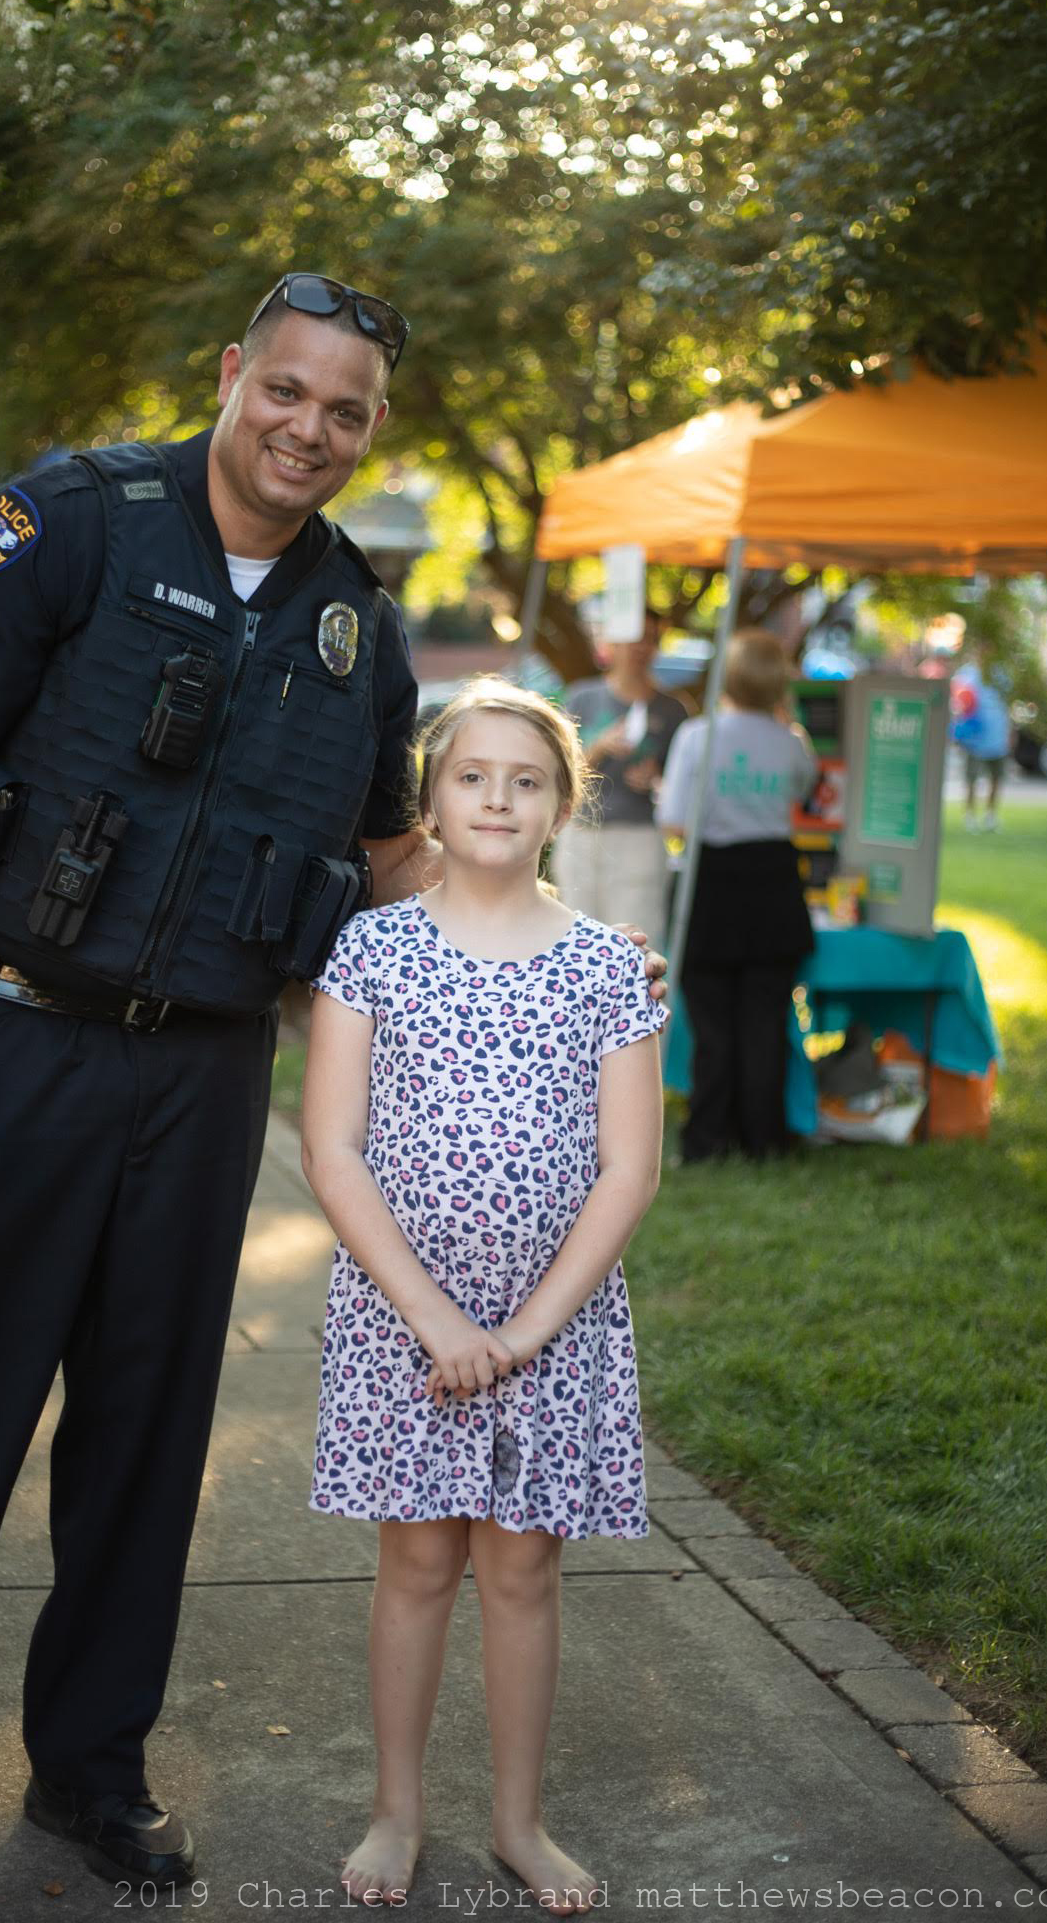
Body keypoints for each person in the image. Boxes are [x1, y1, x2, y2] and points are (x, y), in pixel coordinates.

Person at [0, 275, 670, 1923]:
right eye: (289, 392)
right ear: (232, 375)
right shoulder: (66, 523)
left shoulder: (357, 627)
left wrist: (571, 946)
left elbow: (397, 857)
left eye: (346, 412)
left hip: (199, 1074)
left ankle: (89, 1771)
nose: (308, 430)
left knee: (143, 1437)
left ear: (368, 432)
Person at [300, 677, 666, 1915]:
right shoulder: (372, 948)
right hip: (407, 1320)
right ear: (432, 801)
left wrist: (520, 1330)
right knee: (414, 1563)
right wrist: (439, 1319)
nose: (498, 796)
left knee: (519, 1571)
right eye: (472, 776)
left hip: (549, 1324)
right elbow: (333, 1151)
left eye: (525, 778)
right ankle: (396, 1807)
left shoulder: (611, 969)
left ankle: (518, 1818)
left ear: (562, 803)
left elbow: (628, 1169)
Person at [657, 629, 817, 1164]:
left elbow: (673, 820)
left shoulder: (698, 736)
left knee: (712, 1024)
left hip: (711, 881)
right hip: (773, 880)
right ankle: (764, 1137)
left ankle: (707, 1139)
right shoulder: (791, 740)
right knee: (765, 1020)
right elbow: (806, 785)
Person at [552, 606, 688, 942]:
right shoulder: (582, 697)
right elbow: (557, 776)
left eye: (651, 638)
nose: (641, 647)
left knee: (638, 942)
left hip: (640, 836)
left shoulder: (673, 710)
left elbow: (684, 785)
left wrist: (656, 779)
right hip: (582, 834)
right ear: (612, 641)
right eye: (633, 637)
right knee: (575, 939)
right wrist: (598, 748)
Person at [950, 644, 1012, 832]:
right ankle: (970, 815)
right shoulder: (967, 674)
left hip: (998, 736)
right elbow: (959, 701)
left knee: (996, 778)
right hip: (975, 739)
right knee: (972, 779)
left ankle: (990, 816)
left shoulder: (1000, 675)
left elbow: (1007, 704)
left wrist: (1010, 732)